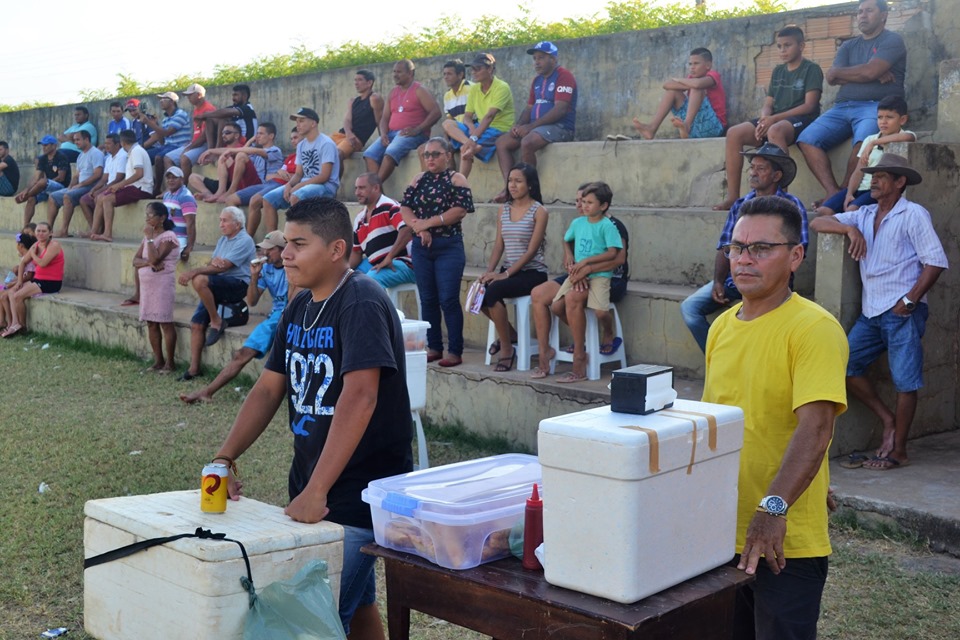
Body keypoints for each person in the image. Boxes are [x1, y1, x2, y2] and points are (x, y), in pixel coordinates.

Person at [210, 196, 412, 639]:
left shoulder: (359, 301)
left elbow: (360, 397)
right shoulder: (300, 307)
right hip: (314, 485)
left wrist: (317, 490)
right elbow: (267, 388)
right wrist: (223, 459)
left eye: (299, 244)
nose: (284, 254)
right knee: (357, 606)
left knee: (315, 620)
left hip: (355, 493)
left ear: (336, 249)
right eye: (286, 243)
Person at [701, 195, 848, 640]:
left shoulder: (813, 329)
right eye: (737, 247)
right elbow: (721, 424)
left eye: (761, 248)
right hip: (721, 531)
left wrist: (775, 506)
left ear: (796, 255)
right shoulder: (721, 327)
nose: (744, 259)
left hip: (784, 538)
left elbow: (817, 426)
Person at [810, 153, 948, 471]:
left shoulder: (913, 214)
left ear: (900, 183)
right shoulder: (864, 214)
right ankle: (887, 420)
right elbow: (818, 221)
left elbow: (935, 262)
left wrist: (911, 300)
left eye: (882, 176)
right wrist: (849, 231)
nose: (874, 180)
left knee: (905, 381)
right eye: (873, 175)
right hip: (871, 312)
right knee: (843, 364)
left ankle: (898, 450)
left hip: (902, 312)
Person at [681, 143, 808, 352]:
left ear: (776, 176)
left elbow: (798, 251)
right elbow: (726, 245)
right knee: (690, 309)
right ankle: (719, 358)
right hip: (736, 279)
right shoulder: (740, 205)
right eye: (752, 168)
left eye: (761, 168)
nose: (753, 173)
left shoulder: (792, 206)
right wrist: (719, 282)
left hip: (772, 282)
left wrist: (770, 285)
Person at [797, 0, 907, 200]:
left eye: (869, 11)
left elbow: (869, 72)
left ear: (883, 15)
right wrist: (868, 72)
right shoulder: (848, 46)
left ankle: (846, 192)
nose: (862, 16)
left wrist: (861, 73)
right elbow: (831, 77)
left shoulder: (892, 41)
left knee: (864, 140)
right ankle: (833, 193)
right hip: (842, 107)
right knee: (806, 139)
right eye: (859, 12)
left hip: (875, 106)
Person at [714, 26, 823, 210]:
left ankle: (780, 198)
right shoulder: (778, 71)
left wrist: (772, 120)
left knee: (775, 130)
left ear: (801, 45)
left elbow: (809, 105)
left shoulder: (811, 69)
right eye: (779, 46)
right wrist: (764, 118)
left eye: (787, 45)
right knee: (734, 133)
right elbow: (768, 103)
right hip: (775, 119)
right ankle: (733, 197)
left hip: (802, 119)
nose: (783, 50)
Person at [180, 231, 294, 404]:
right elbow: (252, 301)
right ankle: (207, 392)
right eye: (264, 250)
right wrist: (254, 277)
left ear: (282, 250)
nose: (265, 254)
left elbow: (296, 301)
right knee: (242, 353)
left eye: (269, 250)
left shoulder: (294, 267)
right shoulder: (267, 268)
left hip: (292, 313)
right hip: (275, 316)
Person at [531, 181, 621, 382]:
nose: (583, 205)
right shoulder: (578, 223)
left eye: (588, 202)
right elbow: (566, 239)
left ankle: (580, 358)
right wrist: (570, 257)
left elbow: (614, 254)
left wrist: (587, 264)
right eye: (581, 201)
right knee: (555, 306)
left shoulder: (609, 226)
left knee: (595, 309)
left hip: (600, 275)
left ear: (603, 205)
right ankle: (577, 345)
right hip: (579, 271)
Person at [399, 137, 474, 367]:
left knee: (448, 299)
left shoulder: (456, 179)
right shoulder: (418, 179)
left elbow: (460, 211)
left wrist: (427, 224)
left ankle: (455, 350)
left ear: (448, 155)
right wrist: (418, 228)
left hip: (448, 246)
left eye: (435, 154)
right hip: (423, 246)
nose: (430, 158)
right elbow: (405, 207)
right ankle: (433, 346)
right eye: (427, 154)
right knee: (428, 298)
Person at [479, 163, 548, 372]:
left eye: (518, 181)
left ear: (530, 185)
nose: (513, 185)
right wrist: (490, 272)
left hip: (532, 273)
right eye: (510, 181)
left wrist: (505, 275)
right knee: (480, 293)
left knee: (495, 290)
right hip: (508, 270)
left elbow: (531, 252)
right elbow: (499, 245)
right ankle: (510, 334)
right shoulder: (504, 209)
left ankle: (507, 348)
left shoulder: (539, 211)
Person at [177, 207, 256, 380]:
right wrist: (214, 264)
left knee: (199, 280)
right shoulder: (223, 240)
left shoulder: (245, 240)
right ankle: (193, 369)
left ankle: (216, 320)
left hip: (238, 284)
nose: (221, 224)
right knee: (196, 324)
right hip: (219, 283)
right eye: (220, 220)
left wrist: (194, 271)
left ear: (238, 224)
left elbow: (225, 266)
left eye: (225, 220)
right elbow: (214, 263)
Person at [493, 41, 577, 202]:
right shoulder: (537, 80)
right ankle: (509, 188)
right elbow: (529, 108)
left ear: (553, 59)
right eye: (535, 58)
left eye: (541, 58)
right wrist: (518, 125)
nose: (536, 62)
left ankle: (529, 192)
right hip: (536, 128)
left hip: (560, 127)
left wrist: (530, 127)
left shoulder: (564, 76)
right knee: (502, 143)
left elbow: (560, 109)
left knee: (527, 142)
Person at [815, 95, 915, 216]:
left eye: (889, 117)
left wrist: (874, 143)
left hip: (876, 190)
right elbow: (858, 171)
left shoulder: (904, 136)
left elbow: (908, 137)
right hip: (859, 189)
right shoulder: (869, 139)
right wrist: (849, 193)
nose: (883, 121)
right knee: (822, 212)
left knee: (851, 211)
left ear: (902, 120)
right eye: (879, 117)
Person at [120, 167, 199, 307]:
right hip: (162, 234)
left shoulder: (185, 196)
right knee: (142, 259)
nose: (170, 180)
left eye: (174, 177)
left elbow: (191, 223)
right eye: (168, 177)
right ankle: (139, 295)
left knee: (154, 259)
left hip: (177, 238)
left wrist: (189, 247)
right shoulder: (168, 194)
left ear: (182, 179)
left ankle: (147, 296)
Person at [260, 108, 340, 232]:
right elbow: (298, 173)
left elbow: (324, 176)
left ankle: (297, 239)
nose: (298, 125)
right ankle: (273, 242)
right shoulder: (301, 145)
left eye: (301, 121)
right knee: (268, 199)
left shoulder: (326, 143)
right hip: (305, 184)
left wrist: (299, 186)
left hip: (326, 187)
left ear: (313, 123)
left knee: (296, 197)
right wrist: (289, 184)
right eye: (297, 121)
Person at [364, 59, 441, 182]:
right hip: (391, 134)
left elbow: (436, 112)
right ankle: (378, 193)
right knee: (369, 154)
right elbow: (384, 118)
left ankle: (374, 188)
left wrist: (418, 129)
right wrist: (383, 134)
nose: (395, 75)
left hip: (413, 135)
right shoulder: (393, 92)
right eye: (394, 71)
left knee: (391, 151)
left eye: (399, 72)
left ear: (410, 73)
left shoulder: (419, 90)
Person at [442, 53, 515, 178]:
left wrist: (473, 138)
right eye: (473, 69)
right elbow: (467, 117)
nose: (474, 72)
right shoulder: (475, 89)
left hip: (498, 129)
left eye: (478, 69)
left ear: (490, 69)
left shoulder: (502, 87)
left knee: (465, 150)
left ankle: (459, 188)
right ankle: (472, 145)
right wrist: (471, 132)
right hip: (479, 129)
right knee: (447, 124)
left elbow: (489, 116)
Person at [632, 47, 727, 141]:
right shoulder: (691, 79)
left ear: (708, 65)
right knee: (672, 92)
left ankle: (686, 125)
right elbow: (667, 85)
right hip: (695, 129)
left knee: (697, 88)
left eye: (696, 63)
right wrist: (687, 84)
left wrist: (680, 81)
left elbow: (697, 84)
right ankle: (651, 128)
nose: (692, 67)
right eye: (690, 64)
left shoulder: (713, 75)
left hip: (714, 127)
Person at [135, 202, 180, 373]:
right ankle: (158, 360)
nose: (147, 218)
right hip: (148, 285)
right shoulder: (147, 237)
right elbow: (136, 260)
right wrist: (148, 262)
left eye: (151, 215)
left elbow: (156, 259)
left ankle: (170, 362)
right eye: (146, 215)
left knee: (165, 322)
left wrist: (151, 239)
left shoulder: (169, 237)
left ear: (162, 218)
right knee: (151, 322)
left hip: (162, 284)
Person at [350, 172, 416, 288]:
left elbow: (406, 229)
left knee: (368, 282)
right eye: (356, 188)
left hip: (402, 262)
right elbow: (356, 252)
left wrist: (389, 257)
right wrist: (342, 273)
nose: (357, 193)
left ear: (376, 188)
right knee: (347, 281)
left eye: (362, 188)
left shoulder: (390, 206)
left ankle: (380, 307)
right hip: (374, 264)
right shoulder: (359, 218)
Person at [1, 222, 64, 338]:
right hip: (38, 280)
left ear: (50, 233)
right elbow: (23, 263)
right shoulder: (36, 245)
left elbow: (42, 263)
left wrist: (33, 254)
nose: (40, 233)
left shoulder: (54, 245)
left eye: (44, 231)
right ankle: (15, 323)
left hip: (50, 282)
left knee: (17, 296)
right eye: (38, 231)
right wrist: (19, 281)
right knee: (11, 292)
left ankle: (22, 326)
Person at [235, 126, 302, 235]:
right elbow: (273, 175)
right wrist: (281, 173)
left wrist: (283, 175)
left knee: (256, 200)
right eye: (291, 139)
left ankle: (249, 239)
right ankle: (238, 239)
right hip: (269, 182)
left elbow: (294, 176)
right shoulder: (291, 157)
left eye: (296, 138)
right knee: (231, 199)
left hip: (280, 185)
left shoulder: (277, 151)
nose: (293, 141)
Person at [91, 129, 154, 242]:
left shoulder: (136, 151)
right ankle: (93, 232)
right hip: (133, 187)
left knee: (107, 199)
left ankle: (107, 234)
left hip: (141, 188)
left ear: (122, 142)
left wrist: (120, 185)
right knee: (101, 197)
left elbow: (139, 174)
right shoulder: (134, 151)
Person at [201, 122, 284, 203]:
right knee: (225, 158)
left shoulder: (275, 151)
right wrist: (210, 151)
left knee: (241, 155)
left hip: (266, 185)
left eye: (261, 134)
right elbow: (242, 152)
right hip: (254, 184)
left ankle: (231, 191)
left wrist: (232, 149)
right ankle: (220, 191)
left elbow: (251, 152)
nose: (257, 136)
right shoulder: (257, 153)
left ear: (271, 136)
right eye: (257, 133)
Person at [48, 130, 104, 235]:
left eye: (78, 140)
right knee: (53, 197)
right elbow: (77, 176)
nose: (76, 142)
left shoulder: (96, 153)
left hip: (92, 186)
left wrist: (80, 185)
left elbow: (97, 174)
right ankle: (48, 230)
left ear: (86, 139)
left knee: (67, 196)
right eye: (74, 140)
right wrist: (70, 186)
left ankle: (64, 230)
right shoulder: (80, 156)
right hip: (80, 186)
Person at [330, 70, 384, 175]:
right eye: (355, 80)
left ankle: (333, 188)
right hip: (342, 135)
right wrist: (348, 133)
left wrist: (383, 139)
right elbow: (347, 120)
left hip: (356, 139)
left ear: (369, 83)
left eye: (360, 80)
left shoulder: (374, 98)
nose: (356, 83)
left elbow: (380, 121)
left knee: (336, 154)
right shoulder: (353, 101)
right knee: (317, 149)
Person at [77, 133, 127, 237]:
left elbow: (119, 178)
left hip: (119, 186)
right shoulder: (108, 158)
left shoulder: (122, 156)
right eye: (105, 143)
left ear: (117, 145)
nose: (106, 146)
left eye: (109, 143)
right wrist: (94, 189)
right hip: (109, 186)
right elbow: (104, 178)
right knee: (84, 200)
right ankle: (95, 229)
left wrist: (101, 190)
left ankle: (97, 231)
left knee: (99, 197)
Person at [186, 123, 252, 202]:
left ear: (236, 135)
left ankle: (220, 193)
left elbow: (229, 152)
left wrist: (210, 151)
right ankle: (208, 194)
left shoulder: (241, 147)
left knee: (224, 158)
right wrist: (209, 161)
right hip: (222, 182)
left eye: (227, 133)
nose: (223, 135)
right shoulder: (223, 149)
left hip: (234, 184)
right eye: (222, 133)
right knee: (192, 177)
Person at [15, 136, 71, 227]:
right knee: (31, 199)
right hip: (45, 186)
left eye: (46, 145)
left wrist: (46, 183)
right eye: (43, 145)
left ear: (54, 146)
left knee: (43, 182)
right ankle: (25, 227)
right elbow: (36, 177)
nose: (44, 147)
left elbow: (61, 177)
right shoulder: (42, 159)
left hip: (61, 187)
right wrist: (26, 189)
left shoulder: (61, 157)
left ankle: (27, 195)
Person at [140, 92, 192, 189]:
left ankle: (157, 187)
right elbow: (162, 141)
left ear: (172, 101)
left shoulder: (180, 115)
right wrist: (155, 124)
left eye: (164, 99)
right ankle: (147, 185)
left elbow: (168, 133)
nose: (161, 102)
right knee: (143, 156)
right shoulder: (165, 119)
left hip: (179, 146)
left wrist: (149, 123)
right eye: (160, 99)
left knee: (159, 157)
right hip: (167, 146)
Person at [165, 83, 217, 180]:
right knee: (168, 158)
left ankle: (181, 189)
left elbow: (205, 136)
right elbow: (197, 132)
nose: (188, 98)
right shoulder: (196, 109)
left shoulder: (208, 109)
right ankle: (172, 188)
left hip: (205, 144)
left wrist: (189, 148)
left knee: (184, 158)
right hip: (195, 144)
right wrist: (190, 144)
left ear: (199, 95)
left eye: (190, 95)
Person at [192, 84, 258, 151]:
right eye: (233, 95)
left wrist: (204, 115)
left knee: (223, 119)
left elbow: (225, 112)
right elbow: (219, 113)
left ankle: (217, 150)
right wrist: (204, 118)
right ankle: (210, 150)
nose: (233, 98)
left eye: (236, 95)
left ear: (244, 96)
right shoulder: (234, 107)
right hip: (235, 141)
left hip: (246, 144)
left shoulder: (248, 108)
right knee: (210, 119)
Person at [0, 232, 37, 330]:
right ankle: (5, 321)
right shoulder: (23, 258)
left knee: (4, 296)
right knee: (2, 295)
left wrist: (14, 283)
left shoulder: (29, 259)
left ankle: (11, 323)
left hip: (26, 284)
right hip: (21, 283)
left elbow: (29, 276)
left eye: (17, 245)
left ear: (21, 246)